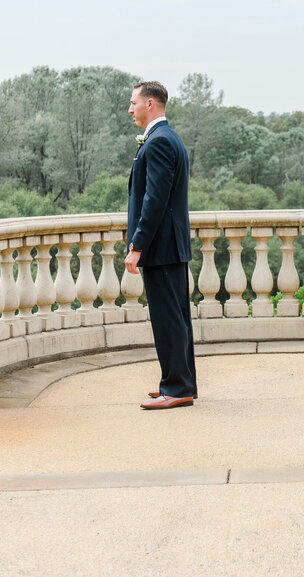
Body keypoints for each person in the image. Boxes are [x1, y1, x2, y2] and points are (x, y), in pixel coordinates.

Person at [125, 81, 197, 409]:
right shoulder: (168, 139)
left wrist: (137, 246)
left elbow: (155, 200)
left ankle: (177, 388)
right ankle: (179, 381)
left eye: (134, 102)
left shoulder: (158, 143)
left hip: (162, 247)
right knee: (175, 317)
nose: (130, 109)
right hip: (171, 245)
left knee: (169, 318)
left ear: (150, 104)